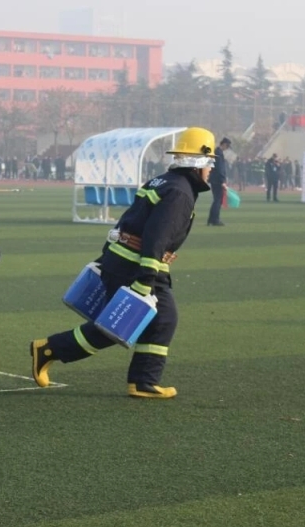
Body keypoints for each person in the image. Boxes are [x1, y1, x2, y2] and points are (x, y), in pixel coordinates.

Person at [30, 127, 217, 399]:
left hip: (122, 260)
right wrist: (145, 280)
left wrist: (106, 256)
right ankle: (51, 349)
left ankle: (141, 381)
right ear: (198, 162)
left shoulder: (163, 182)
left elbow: (128, 222)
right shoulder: (180, 192)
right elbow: (156, 237)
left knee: (153, 320)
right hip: (136, 266)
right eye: (210, 163)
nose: (211, 170)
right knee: (129, 324)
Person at [207, 137, 230, 226]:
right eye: (227, 146)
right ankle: (215, 220)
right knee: (218, 200)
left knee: (216, 200)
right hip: (217, 180)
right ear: (224, 144)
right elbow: (220, 168)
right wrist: (222, 181)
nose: (226, 148)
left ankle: (211, 219)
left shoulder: (216, 152)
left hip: (214, 179)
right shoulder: (219, 153)